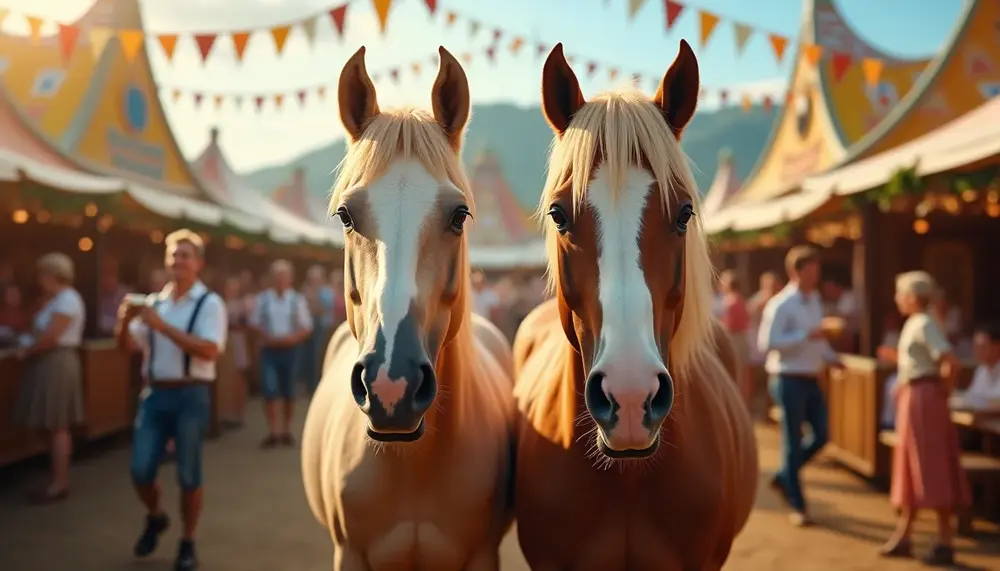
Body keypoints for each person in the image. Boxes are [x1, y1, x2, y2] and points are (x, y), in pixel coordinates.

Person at [116, 229, 227, 571]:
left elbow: (211, 350)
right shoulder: (154, 303)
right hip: (155, 394)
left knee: (188, 473)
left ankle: (187, 541)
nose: (178, 261)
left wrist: (162, 327)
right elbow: (129, 349)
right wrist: (123, 322)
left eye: (185, 256)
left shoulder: (209, 303)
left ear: (198, 263)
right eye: (173, 256)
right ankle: (156, 515)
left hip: (191, 393)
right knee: (140, 469)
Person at [880, 271, 968, 566]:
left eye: (900, 293)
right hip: (916, 396)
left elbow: (948, 360)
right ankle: (905, 535)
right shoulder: (917, 323)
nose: (896, 299)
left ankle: (945, 539)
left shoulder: (924, 322)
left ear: (912, 297)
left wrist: (940, 390)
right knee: (912, 464)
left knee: (930, 464)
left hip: (923, 400)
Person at [758, 245, 841, 527]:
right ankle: (797, 503)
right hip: (788, 379)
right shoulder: (781, 304)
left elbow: (818, 339)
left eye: (817, 270)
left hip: (810, 378)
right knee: (792, 442)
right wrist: (807, 334)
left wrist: (831, 358)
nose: (815, 275)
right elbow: (767, 344)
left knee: (822, 435)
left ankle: (784, 476)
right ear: (796, 271)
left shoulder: (814, 300)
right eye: (810, 270)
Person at [12, 253, 86, 504]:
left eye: (42, 274)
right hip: (48, 362)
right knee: (50, 423)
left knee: (57, 424)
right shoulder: (54, 299)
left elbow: (51, 338)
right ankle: (56, 477)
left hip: (56, 362)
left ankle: (60, 483)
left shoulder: (68, 300)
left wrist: (27, 350)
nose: (39, 279)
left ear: (52, 274)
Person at [249, 259, 312, 448]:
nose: (280, 280)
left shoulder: (296, 299)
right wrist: (266, 336)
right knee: (269, 390)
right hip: (269, 350)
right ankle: (273, 431)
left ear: (290, 279)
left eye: (283, 276)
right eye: (277, 276)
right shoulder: (263, 299)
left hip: (290, 350)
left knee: (289, 391)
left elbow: (306, 326)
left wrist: (291, 339)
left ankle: (286, 429)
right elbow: (254, 323)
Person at [718, 270, 752, 406]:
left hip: (733, 340)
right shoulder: (741, 299)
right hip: (741, 338)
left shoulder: (730, 301)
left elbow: (730, 324)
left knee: (733, 372)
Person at [300, 265, 332, 394]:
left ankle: (316, 386)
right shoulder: (305, 291)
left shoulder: (326, 293)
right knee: (305, 357)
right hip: (306, 329)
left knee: (317, 357)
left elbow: (321, 310)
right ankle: (306, 385)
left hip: (321, 330)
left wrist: (313, 299)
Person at [223, 276, 250, 426]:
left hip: (237, 341)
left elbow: (246, 325)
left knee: (239, 377)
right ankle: (227, 412)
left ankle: (239, 413)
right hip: (224, 342)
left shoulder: (242, 305)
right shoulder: (220, 303)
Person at [747, 271, 781, 366]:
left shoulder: (783, 300)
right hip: (758, 342)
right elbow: (750, 313)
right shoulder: (757, 300)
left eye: (774, 284)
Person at [966, 322, 1000, 402]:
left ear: (997, 346)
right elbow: (970, 398)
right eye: (975, 346)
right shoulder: (980, 371)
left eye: (982, 347)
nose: (977, 351)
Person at [0, 283, 28, 347]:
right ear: (5, 297)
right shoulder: (2, 312)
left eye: (17, 293)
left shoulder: (23, 313)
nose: (16, 296)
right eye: (11, 294)